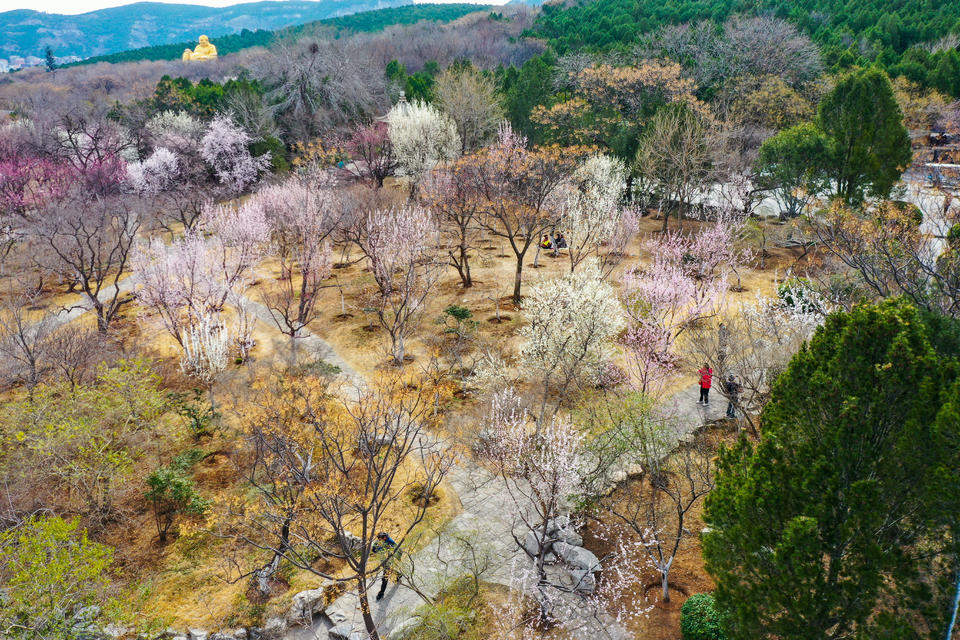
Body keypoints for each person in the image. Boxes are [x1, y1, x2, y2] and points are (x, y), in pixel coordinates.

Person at [373, 531, 398, 601]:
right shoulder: (378, 542)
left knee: (385, 578)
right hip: (382, 560)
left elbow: (396, 548)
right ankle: (398, 574)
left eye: (381, 538)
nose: (379, 540)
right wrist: (378, 550)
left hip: (389, 560)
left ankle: (381, 592)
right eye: (379, 539)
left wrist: (390, 553)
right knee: (388, 570)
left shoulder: (390, 541)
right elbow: (373, 550)